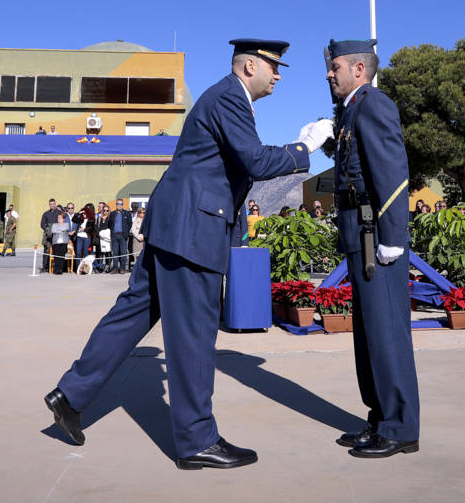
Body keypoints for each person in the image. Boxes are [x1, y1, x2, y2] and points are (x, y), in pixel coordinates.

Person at [45, 37, 318, 470]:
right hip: (193, 230)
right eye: (274, 67)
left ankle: (71, 394)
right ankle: (195, 440)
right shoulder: (231, 97)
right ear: (250, 66)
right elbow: (255, 162)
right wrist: (304, 147)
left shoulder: (226, 98)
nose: (279, 75)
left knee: (131, 314)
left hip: (175, 225)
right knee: (192, 334)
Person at [324, 38, 419, 459]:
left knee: (387, 333)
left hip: (375, 237)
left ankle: (400, 428)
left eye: (336, 67)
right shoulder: (351, 110)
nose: (330, 73)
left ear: (359, 69)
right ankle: (380, 417)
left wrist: (394, 238)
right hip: (357, 233)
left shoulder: (373, 102)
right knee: (368, 335)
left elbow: (392, 172)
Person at [108, 198, 133, 273]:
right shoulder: (112, 214)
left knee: (123, 252)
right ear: (116, 205)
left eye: (121, 204)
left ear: (123, 205)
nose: (119, 205)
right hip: (114, 235)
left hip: (123, 235)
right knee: (115, 252)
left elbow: (130, 224)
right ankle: (115, 268)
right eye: (118, 204)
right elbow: (110, 224)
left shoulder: (126, 213)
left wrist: (126, 231)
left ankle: (122, 268)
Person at [40, 199, 59, 272]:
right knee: (46, 251)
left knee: (56, 251)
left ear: (55, 204)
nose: (52, 205)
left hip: (56, 235)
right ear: (49, 205)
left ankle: (54, 267)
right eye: (50, 204)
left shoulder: (59, 213)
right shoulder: (46, 214)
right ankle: (45, 267)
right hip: (47, 235)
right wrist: (47, 229)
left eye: (53, 204)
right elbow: (42, 224)